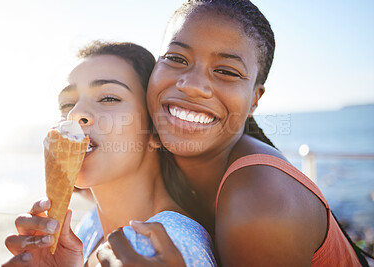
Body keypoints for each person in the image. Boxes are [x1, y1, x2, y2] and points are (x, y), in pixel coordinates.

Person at [100, 0, 366, 266]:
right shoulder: (156, 158)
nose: (193, 86)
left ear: (254, 100)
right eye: (176, 59)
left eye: (226, 71)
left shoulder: (261, 202)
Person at [2, 41, 217, 267]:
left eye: (109, 98)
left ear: (156, 130)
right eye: (67, 104)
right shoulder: (90, 227)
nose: (75, 114)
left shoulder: (163, 247)